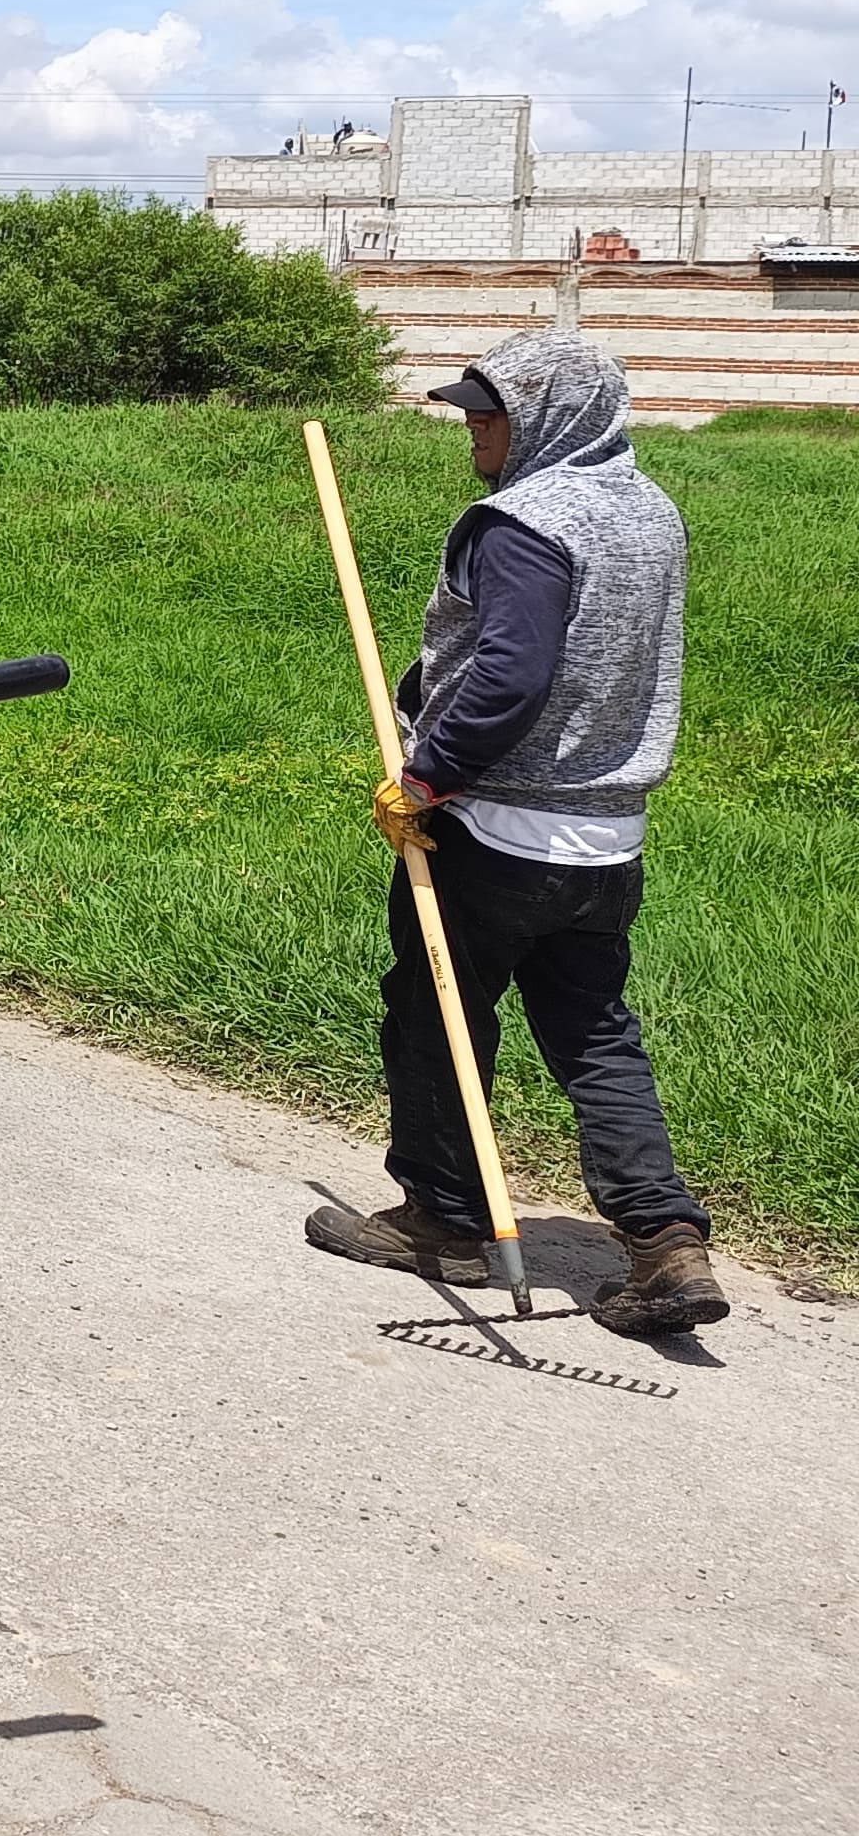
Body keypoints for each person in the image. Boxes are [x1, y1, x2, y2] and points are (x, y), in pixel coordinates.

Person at [306, 331, 722, 1338]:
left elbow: (509, 676)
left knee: (434, 1011)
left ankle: (444, 1222)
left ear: (549, 420)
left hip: (499, 828)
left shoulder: (525, 523)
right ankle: (665, 1238)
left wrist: (425, 776)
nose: (472, 431)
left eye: (488, 415)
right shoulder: (649, 509)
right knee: (595, 1030)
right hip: (607, 836)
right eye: (468, 412)